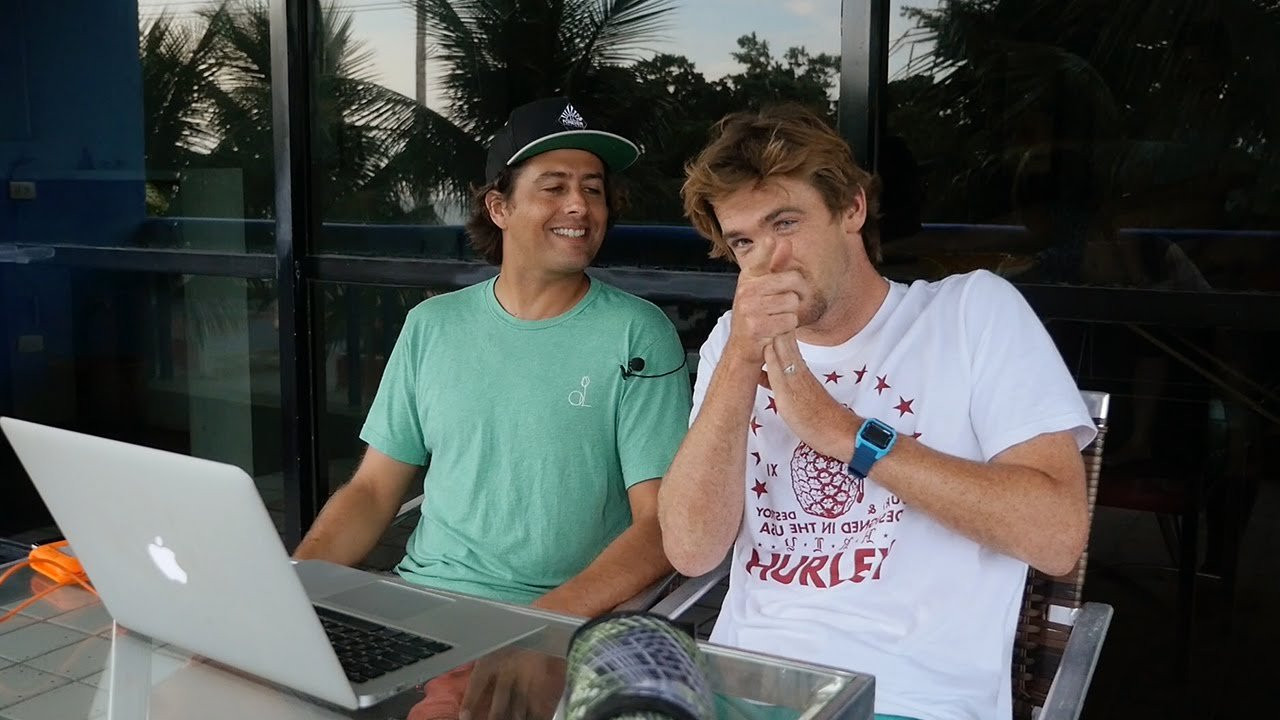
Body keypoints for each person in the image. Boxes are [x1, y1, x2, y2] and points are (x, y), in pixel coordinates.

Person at [658, 105, 1097, 720]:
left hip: (906, 698)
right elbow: (691, 553)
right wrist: (738, 362)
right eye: (744, 242)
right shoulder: (733, 342)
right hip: (742, 687)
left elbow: (1054, 537)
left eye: (785, 222)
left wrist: (847, 433)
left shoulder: (969, 312)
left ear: (852, 210)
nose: (766, 261)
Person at [294, 97, 691, 719]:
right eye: (554, 186)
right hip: (423, 612)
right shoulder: (434, 325)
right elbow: (373, 490)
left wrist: (536, 631)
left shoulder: (637, 334)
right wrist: (289, 591)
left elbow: (661, 525)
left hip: (557, 623)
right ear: (499, 206)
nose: (580, 207)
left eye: (593, 189)